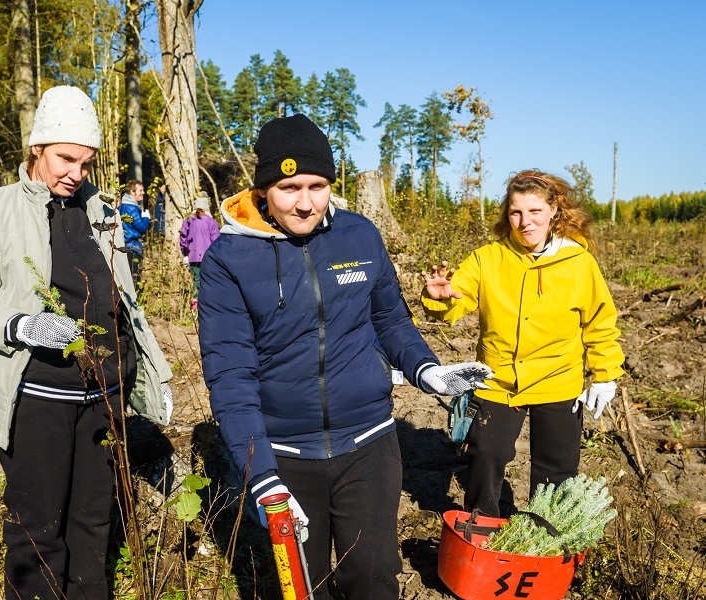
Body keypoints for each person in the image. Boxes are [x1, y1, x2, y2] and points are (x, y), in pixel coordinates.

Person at [197, 114, 492, 599]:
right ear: (263, 190)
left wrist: (428, 371)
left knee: (373, 579)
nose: (306, 202)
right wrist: (262, 476)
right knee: (300, 589)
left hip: (369, 445)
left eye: (318, 186)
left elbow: (391, 321)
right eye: (289, 187)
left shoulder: (359, 236)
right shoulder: (229, 259)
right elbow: (230, 375)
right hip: (285, 455)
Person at [0, 85, 173, 600]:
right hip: (38, 399)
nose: (76, 173)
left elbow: (125, 303)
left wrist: (150, 375)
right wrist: (22, 326)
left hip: (103, 400)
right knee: (37, 529)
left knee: (93, 524)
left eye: (86, 163)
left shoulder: (102, 212)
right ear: (37, 149)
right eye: (66, 158)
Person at [420, 169, 625, 518]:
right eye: (515, 212)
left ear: (554, 211)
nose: (524, 222)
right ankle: (480, 528)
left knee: (556, 469)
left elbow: (599, 321)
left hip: (558, 381)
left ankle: (547, 539)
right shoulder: (489, 258)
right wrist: (441, 297)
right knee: (486, 454)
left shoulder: (578, 262)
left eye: (534, 212)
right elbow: (458, 298)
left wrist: (606, 374)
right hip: (499, 382)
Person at [179, 194, 220, 310]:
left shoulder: (188, 220)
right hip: (209, 258)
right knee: (207, 282)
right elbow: (216, 241)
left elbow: (183, 237)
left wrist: (185, 253)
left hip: (193, 256)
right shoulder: (211, 222)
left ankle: (194, 307)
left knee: (196, 282)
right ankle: (207, 306)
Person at [119, 179, 150, 284]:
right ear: (132, 192)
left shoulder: (122, 206)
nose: (143, 193)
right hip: (132, 247)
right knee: (133, 278)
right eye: (140, 190)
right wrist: (146, 218)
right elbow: (141, 227)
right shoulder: (131, 208)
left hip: (123, 245)